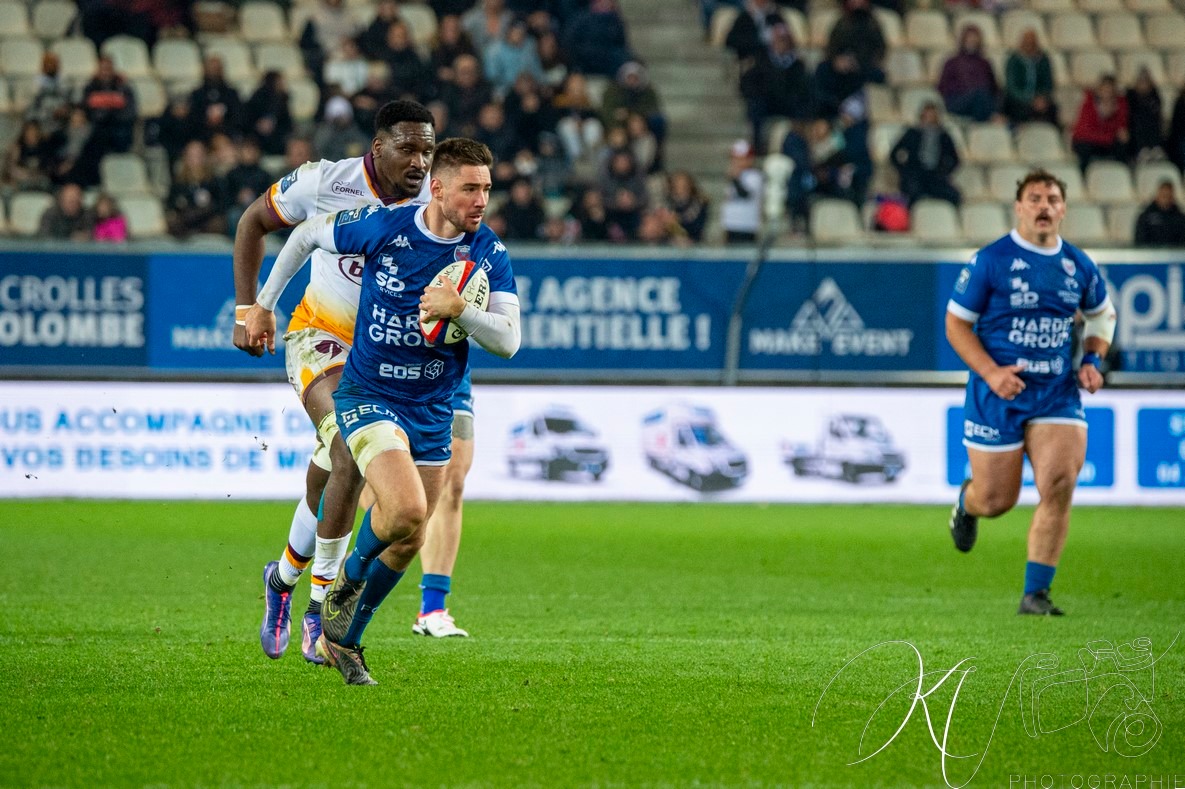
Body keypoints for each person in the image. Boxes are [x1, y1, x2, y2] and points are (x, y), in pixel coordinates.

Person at [249, 138, 521, 685]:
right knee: (404, 510)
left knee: (410, 539)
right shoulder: (385, 226)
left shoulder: (489, 253)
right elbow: (306, 233)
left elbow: (509, 341)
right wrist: (262, 303)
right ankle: (338, 586)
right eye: (470, 188)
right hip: (370, 393)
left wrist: (461, 311)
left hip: (432, 405)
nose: (481, 201)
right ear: (437, 188)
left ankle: (344, 638)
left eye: (487, 189)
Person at [232, 101, 436, 664]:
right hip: (319, 337)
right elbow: (253, 222)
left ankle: (281, 578)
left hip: (383, 358)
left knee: (331, 474)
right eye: (408, 149)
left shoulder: (436, 199)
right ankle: (321, 608)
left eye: (428, 151)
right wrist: (250, 309)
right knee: (347, 445)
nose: (420, 162)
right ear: (378, 148)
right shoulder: (325, 182)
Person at [946, 169, 1117, 616]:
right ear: (1019, 207)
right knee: (996, 501)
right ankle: (967, 503)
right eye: (1035, 198)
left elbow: (1102, 316)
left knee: (1059, 484)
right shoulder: (991, 260)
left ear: (1063, 210)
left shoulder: (1078, 265)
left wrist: (1092, 360)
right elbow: (956, 324)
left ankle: (1035, 593)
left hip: (1056, 391)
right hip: (998, 393)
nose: (1044, 206)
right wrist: (991, 373)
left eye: (1052, 199)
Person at [890, 101, 961, 207]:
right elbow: (894, 154)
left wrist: (944, 171)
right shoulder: (912, 133)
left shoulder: (944, 136)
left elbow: (955, 159)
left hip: (935, 176)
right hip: (915, 175)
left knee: (954, 195)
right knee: (912, 194)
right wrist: (904, 171)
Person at [1134, 179, 1185, 247]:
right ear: (1157, 195)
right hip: (1150, 252)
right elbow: (1140, 240)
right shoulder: (1145, 217)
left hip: (1174, 252)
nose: (1166, 199)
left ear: (1172, 197)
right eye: (1164, 196)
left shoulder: (1180, 218)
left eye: (1168, 196)